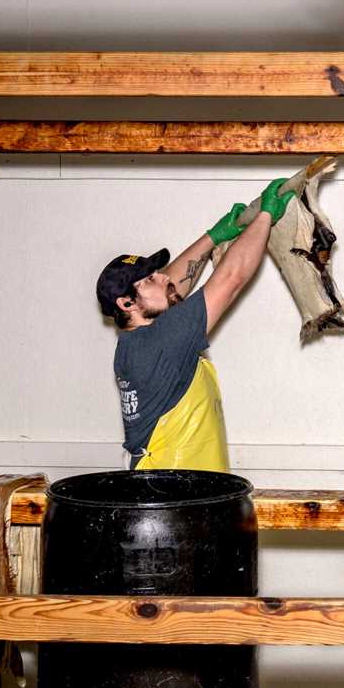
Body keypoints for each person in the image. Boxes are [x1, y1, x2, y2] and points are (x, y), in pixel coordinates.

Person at [95, 177, 296, 471]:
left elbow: (169, 288)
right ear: (126, 304)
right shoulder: (162, 341)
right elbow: (231, 279)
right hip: (177, 494)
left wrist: (214, 236)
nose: (165, 278)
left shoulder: (135, 340)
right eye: (151, 278)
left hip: (172, 486)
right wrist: (266, 215)